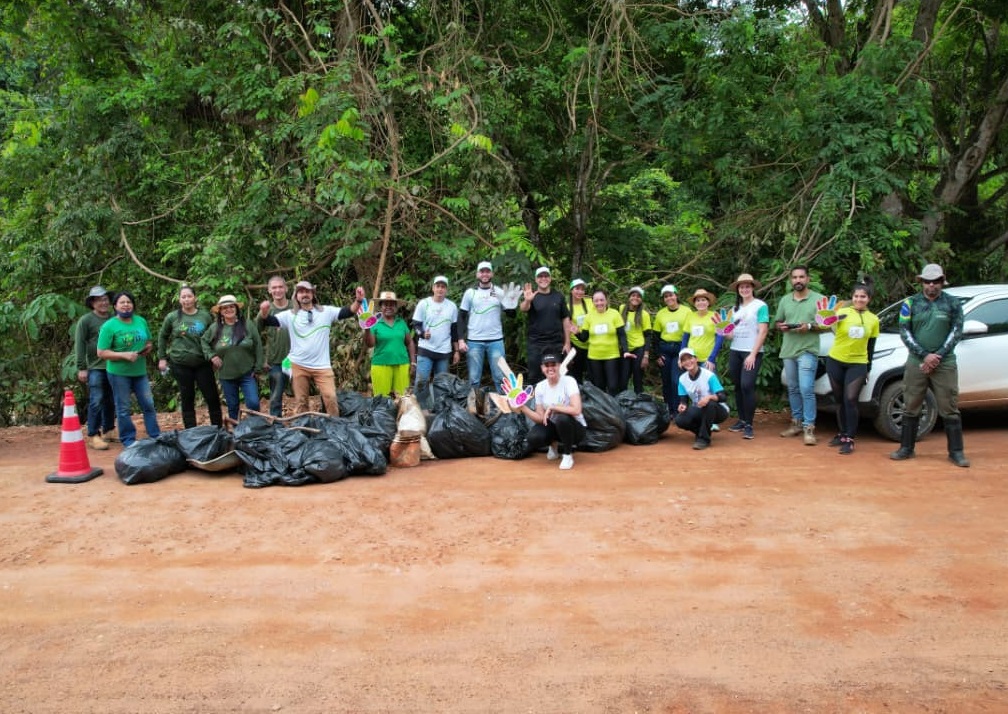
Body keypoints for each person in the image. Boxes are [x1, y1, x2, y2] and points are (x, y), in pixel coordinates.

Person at [890, 263, 969, 467]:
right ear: (922, 282)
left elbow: (956, 331)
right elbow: (904, 331)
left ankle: (956, 452)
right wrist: (924, 355)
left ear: (942, 282)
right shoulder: (910, 303)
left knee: (949, 406)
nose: (931, 285)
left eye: (935, 281)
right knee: (911, 403)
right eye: (927, 281)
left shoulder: (952, 303)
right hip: (917, 361)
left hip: (945, 362)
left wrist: (937, 356)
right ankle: (906, 448)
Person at [258, 280, 364, 416]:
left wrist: (358, 300)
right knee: (301, 402)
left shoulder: (326, 312)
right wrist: (264, 312)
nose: (304, 294)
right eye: (301, 292)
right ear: (296, 296)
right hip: (298, 365)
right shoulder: (290, 315)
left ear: (313, 294)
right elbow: (269, 321)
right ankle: (303, 426)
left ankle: (335, 425)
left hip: (322, 366)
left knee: (330, 397)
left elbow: (348, 311)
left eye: (307, 291)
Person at [96, 291, 161, 448]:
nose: (126, 305)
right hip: (119, 373)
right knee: (123, 408)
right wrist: (123, 355)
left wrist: (147, 348)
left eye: (129, 302)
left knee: (148, 404)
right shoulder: (109, 326)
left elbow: (148, 341)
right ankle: (128, 440)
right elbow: (101, 352)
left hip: (140, 371)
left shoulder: (140, 321)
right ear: (115, 306)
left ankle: (156, 436)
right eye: (122, 302)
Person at [825, 282, 879, 455]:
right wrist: (825, 318)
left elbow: (871, 346)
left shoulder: (873, 319)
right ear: (852, 297)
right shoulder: (842, 313)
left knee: (851, 399)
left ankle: (850, 438)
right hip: (836, 360)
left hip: (858, 363)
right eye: (856, 296)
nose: (859, 299)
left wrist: (868, 368)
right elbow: (826, 324)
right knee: (839, 399)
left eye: (863, 296)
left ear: (869, 299)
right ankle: (842, 433)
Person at [157, 285, 222, 429]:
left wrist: (214, 356)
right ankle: (190, 432)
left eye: (189, 296)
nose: (186, 299)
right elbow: (162, 336)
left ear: (195, 298)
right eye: (183, 297)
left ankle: (217, 429)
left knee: (212, 396)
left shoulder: (205, 316)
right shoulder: (172, 317)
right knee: (187, 397)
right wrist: (162, 358)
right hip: (180, 363)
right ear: (179, 300)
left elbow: (214, 337)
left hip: (202, 362)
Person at [774, 265, 824, 445]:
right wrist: (781, 326)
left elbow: (827, 324)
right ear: (791, 280)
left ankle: (809, 428)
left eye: (801, 277)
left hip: (807, 350)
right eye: (795, 277)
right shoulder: (785, 300)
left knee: (806, 389)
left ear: (808, 279)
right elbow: (778, 321)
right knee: (793, 388)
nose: (798, 280)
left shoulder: (819, 300)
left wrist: (809, 326)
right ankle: (796, 423)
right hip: (788, 350)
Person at [515, 352, 586, 470]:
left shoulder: (569, 381)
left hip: (575, 429)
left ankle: (567, 455)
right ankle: (553, 445)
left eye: (553, 364)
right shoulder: (540, 387)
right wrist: (522, 407)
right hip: (555, 427)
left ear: (559, 366)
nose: (550, 368)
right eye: (547, 365)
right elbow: (540, 418)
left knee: (562, 418)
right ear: (542, 368)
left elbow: (577, 409)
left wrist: (553, 407)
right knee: (534, 437)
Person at [458, 261, 518, 389]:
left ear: (492, 274)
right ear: (477, 274)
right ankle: (474, 401)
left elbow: (511, 315)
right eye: (482, 271)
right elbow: (461, 317)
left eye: (487, 271)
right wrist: (461, 339)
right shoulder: (470, 293)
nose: (484, 274)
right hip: (474, 341)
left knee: (500, 377)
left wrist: (511, 303)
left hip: (496, 340)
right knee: (474, 378)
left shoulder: (500, 292)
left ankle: (503, 402)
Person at [203, 295, 263, 421]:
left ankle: (255, 426)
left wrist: (258, 367)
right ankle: (236, 429)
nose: (228, 310)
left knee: (253, 403)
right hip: (226, 375)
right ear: (220, 311)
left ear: (236, 308)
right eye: (225, 308)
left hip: (247, 373)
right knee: (233, 406)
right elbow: (203, 341)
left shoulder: (247, 325)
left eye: (231, 306)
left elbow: (258, 345)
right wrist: (212, 356)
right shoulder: (215, 328)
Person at [724, 273, 769, 440]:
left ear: (752, 288)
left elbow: (763, 331)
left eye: (747, 286)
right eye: (741, 287)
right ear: (738, 289)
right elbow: (730, 335)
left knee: (747, 385)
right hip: (735, 350)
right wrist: (723, 331)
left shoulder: (760, 306)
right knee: (738, 386)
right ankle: (742, 420)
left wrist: (753, 354)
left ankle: (749, 424)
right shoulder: (734, 310)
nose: (744, 289)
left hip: (752, 351)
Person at [75, 285, 116, 450]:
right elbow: (80, 344)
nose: (103, 303)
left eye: (105, 299)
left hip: (114, 365)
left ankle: (108, 430)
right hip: (95, 366)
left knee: (111, 399)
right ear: (92, 303)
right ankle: (93, 434)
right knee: (97, 399)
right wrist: (81, 367)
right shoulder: (86, 320)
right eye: (99, 300)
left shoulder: (114, 318)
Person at [411, 275, 460, 409]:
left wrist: (456, 351)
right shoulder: (424, 304)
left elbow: (454, 330)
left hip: (444, 350)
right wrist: (422, 334)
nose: (440, 289)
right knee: (421, 381)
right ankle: (419, 409)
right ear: (433, 288)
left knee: (442, 383)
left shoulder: (452, 306)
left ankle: (440, 410)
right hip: (426, 349)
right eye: (438, 286)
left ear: (446, 290)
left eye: (443, 287)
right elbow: (416, 325)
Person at [519, 266, 571, 383]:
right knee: (535, 375)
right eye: (540, 276)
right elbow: (523, 308)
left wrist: (567, 342)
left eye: (546, 276)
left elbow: (565, 319)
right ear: (536, 279)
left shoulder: (559, 296)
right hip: (536, 344)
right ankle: (535, 395)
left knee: (558, 375)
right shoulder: (532, 296)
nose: (543, 279)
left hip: (556, 343)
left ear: (550, 278)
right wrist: (527, 300)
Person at [675, 348, 731, 450]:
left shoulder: (709, 375)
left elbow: (723, 397)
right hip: (699, 409)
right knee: (680, 420)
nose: (688, 362)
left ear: (696, 359)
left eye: (690, 358)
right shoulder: (682, 379)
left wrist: (709, 397)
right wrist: (682, 405)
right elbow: (684, 400)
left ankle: (704, 439)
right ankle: (702, 431)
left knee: (709, 404)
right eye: (684, 360)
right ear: (681, 364)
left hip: (719, 410)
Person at [364, 291, 416, 397]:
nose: (388, 307)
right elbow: (370, 344)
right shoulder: (375, 323)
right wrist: (367, 329)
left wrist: (413, 362)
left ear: (396, 307)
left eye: (392, 304)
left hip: (402, 364)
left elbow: (410, 342)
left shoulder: (401, 323)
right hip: (381, 364)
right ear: (381, 307)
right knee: (382, 399)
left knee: (403, 398)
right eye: (385, 304)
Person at [577, 289, 628, 395]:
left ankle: (613, 405)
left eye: (601, 300)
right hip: (594, 356)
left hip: (611, 355)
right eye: (596, 301)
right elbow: (584, 338)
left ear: (606, 300)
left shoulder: (614, 314)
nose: (599, 303)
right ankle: (601, 406)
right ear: (593, 302)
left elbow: (622, 335)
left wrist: (625, 350)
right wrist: (576, 332)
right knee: (599, 386)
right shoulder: (589, 316)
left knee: (613, 386)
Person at [255, 275, 292, 417]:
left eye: (280, 287)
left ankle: (304, 421)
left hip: (297, 358)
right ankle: (276, 424)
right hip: (276, 360)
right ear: (269, 290)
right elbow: (255, 334)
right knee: (276, 397)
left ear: (286, 288)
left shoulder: (295, 307)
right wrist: (262, 359)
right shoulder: (266, 310)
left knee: (301, 394)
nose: (278, 290)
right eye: (274, 288)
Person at [652, 284, 693, 410]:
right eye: (666, 296)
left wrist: (687, 353)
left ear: (676, 296)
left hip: (680, 348)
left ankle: (679, 408)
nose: (669, 298)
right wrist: (657, 355)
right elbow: (655, 336)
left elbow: (690, 333)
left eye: (671, 295)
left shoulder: (686, 311)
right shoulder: (661, 313)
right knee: (666, 381)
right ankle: (668, 410)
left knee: (677, 380)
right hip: (665, 348)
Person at [619, 286, 652, 393]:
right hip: (625, 349)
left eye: (638, 296)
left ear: (641, 299)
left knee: (638, 378)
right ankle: (622, 400)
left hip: (638, 349)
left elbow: (648, 335)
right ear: (629, 297)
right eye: (633, 295)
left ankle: (639, 400)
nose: (635, 298)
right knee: (623, 378)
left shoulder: (644, 314)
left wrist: (646, 356)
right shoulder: (622, 308)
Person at [680, 288, 723, 371]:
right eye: (698, 300)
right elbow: (685, 338)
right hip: (691, 359)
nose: (700, 302)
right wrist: (681, 356)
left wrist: (712, 358)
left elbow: (720, 338)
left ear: (708, 302)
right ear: (694, 303)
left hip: (707, 360)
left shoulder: (715, 316)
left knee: (708, 379)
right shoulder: (690, 316)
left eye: (703, 300)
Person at [566, 278, 591, 382]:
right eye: (577, 289)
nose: (580, 292)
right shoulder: (567, 307)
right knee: (577, 374)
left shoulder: (590, 302)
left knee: (592, 374)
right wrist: (567, 346)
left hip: (592, 344)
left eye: (582, 289)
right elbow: (566, 328)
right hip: (576, 344)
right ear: (571, 290)